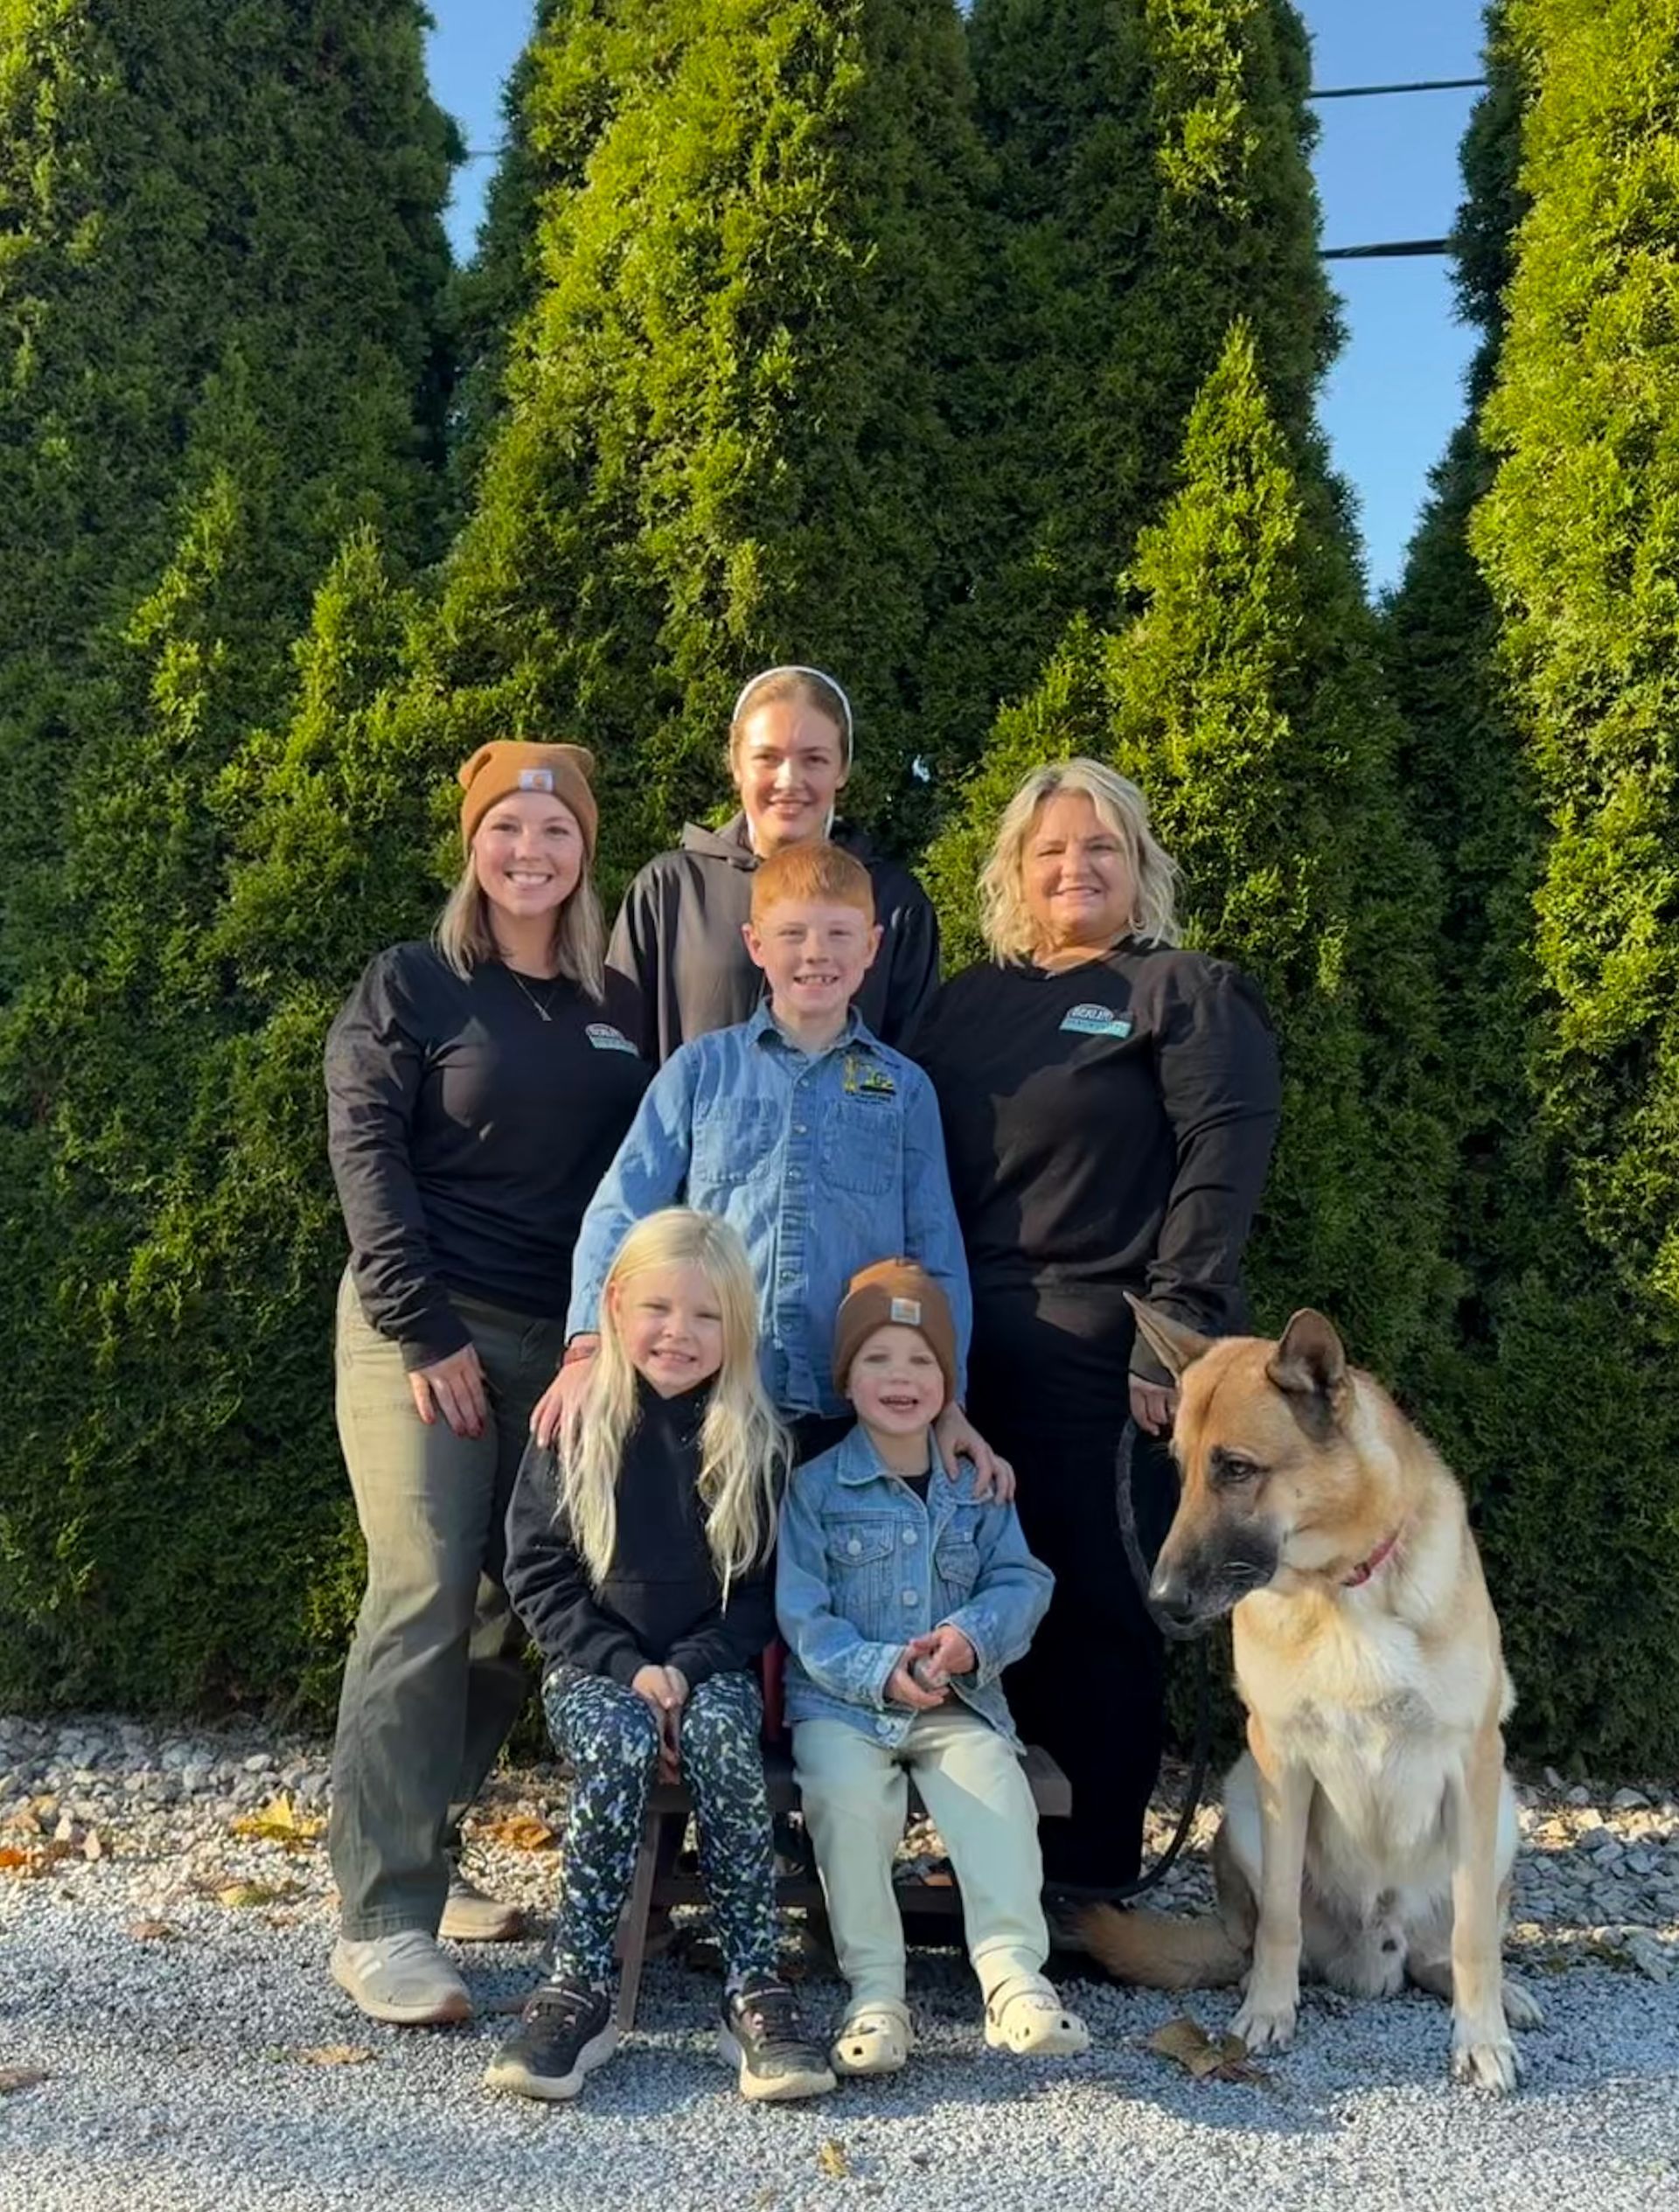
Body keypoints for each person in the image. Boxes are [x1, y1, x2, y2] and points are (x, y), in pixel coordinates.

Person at [910, 760, 1280, 1904]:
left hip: (1103, 1356)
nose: (1076, 867)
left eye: (1101, 848)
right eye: (1051, 851)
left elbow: (1220, 1166)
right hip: (954, 1354)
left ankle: (1084, 1881)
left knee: (1092, 1611)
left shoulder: (1183, 991)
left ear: (1141, 867)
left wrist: (1170, 1332)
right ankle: (982, 1859)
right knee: (961, 1602)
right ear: (1015, 873)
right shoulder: (962, 1005)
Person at [324, 741, 649, 2028]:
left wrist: (608, 1338)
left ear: (584, 851)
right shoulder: (414, 982)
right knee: (424, 1583)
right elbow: (367, 1157)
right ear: (475, 843)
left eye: (557, 829)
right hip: (424, 1329)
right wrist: (425, 1329)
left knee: (523, 1604)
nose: (531, 849)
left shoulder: (616, 1005)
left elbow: (640, 1181)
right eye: (508, 827)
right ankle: (384, 1916)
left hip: (565, 1346)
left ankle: (425, 1844)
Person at [489, 1210, 835, 2106]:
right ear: (613, 1304)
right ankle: (577, 1985)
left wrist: (687, 1667)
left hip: (707, 1669)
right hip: (594, 1672)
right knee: (619, 1743)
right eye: (658, 1308)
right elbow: (537, 1569)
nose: (679, 1333)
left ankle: (754, 1983)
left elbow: (759, 1592)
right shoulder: (574, 1425)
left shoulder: (757, 1439)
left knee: (725, 1739)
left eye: (707, 1316)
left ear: (739, 1329)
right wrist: (626, 1667)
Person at [541, 841, 996, 1486]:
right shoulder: (700, 1071)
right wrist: (587, 1343)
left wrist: (948, 1398)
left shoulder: (905, 1090)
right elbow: (623, 1208)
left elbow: (936, 1252)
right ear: (757, 944)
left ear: (871, 948)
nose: (816, 953)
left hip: (851, 1420)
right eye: (793, 934)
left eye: (839, 934)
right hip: (717, 1402)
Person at [777, 1262, 1088, 2075]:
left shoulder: (977, 1485)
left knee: (996, 1795)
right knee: (847, 1805)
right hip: (844, 1705)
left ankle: (1014, 1979)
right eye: (877, 1359)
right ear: (847, 1379)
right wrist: (880, 1670)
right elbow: (803, 1614)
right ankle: (877, 1994)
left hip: (958, 1705)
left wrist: (971, 1638)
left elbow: (1024, 1580)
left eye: (920, 1362)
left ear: (947, 1383)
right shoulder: (814, 1490)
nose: (900, 1379)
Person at [607, 665, 940, 1062]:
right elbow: (619, 1058)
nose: (789, 780)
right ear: (736, 764)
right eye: (767, 758)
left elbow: (915, 1063)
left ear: (842, 769)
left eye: (814, 759)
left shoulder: (893, 902)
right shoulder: (670, 890)